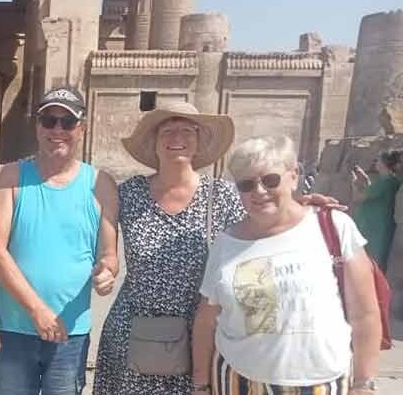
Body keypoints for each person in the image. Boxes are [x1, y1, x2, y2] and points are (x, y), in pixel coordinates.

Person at [191, 135, 381, 395]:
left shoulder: (334, 227)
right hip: (239, 380)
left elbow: (365, 314)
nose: (258, 191)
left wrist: (363, 383)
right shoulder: (227, 241)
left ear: (293, 176)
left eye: (270, 179)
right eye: (246, 184)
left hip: (322, 381)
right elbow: (207, 319)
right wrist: (201, 385)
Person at [93, 101, 243, 395]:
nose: (178, 138)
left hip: (197, 339)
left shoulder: (222, 196)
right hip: (133, 334)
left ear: (199, 142)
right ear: (155, 143)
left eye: (187, 130)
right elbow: (97, 236)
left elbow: (259, 232)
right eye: (168, 131)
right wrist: (104, 269)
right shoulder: (129, 193)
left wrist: (302, 207)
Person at [0, 86, 120, 395]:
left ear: (81, 129)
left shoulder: (100, 184)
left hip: (70, 334)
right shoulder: (10, 177)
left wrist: (107, 273)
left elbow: (110, 254)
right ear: (37, 126)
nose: (57, 130)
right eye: (49, 120)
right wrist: (37, 311)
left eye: (67, 122)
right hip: (16, 330)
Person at [352, 150, 402, 271]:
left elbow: (358, 198)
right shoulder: (392, 181)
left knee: (370, 262)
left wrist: (353, 183)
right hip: (382, 226)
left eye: (378, 160)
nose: (376, 162)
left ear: (383, 163)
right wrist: (364, 177)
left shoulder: (383, 182)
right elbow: (373, 192)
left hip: (374, 227)